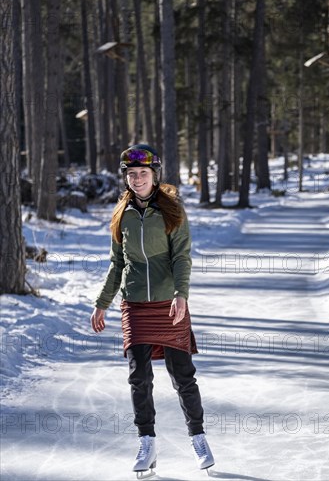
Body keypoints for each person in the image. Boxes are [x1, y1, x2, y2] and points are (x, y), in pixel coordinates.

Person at [90, 144, 214, 477]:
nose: (137, 179)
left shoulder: (171, 210)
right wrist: (102, 303)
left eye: (143, 173)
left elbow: (181, 257)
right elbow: (117, 262)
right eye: (131, 174)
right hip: (134, 304)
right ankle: (147, 442)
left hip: (167, 302)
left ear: (154, 175)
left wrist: (181, 294)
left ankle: (198, 437)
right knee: (138, 376)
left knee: (182, 375)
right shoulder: (121, 213)